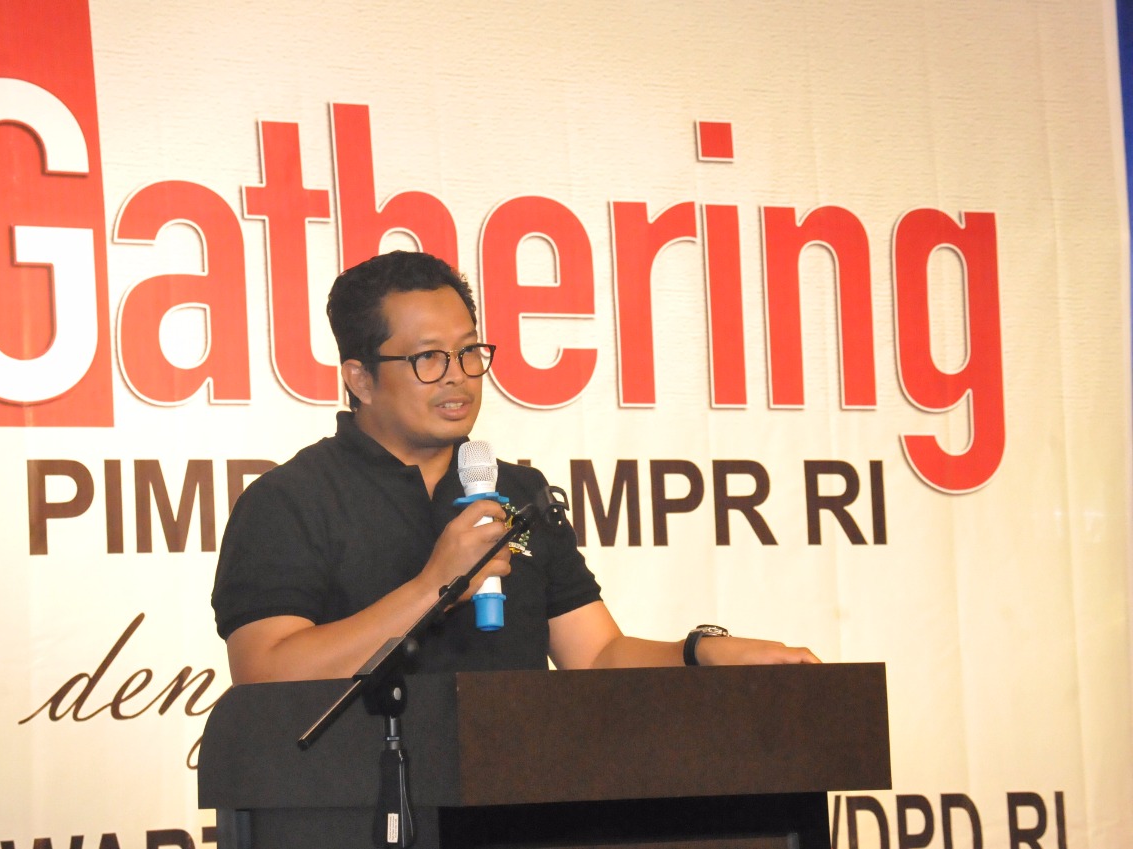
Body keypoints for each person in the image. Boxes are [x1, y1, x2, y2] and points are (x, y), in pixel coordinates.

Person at [212, 250, 818, 683]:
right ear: (361, 379)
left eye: (468, 351)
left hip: (513, 790)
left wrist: (699, 652)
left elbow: (596, 655)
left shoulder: (518, 490)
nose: (457, 376)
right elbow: (266, 671)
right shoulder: (289, 500)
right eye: (428, 358)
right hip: (362, 804)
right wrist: (435, 587)